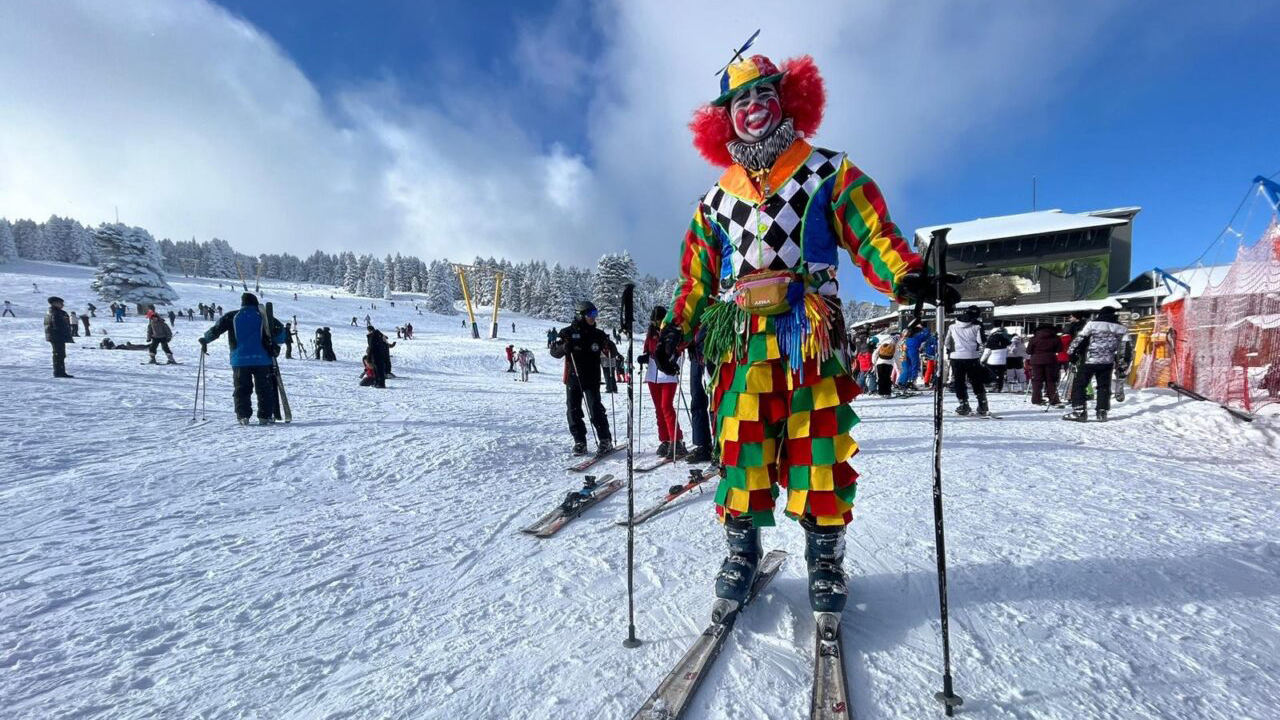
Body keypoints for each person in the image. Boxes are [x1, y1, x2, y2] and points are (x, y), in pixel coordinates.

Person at [658, 46, 950, 628]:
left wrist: (908, 276)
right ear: (725, 118)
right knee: (742, 449)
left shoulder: (828, 170)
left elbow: (873, 235)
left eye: (764, 94)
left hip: (810, 338)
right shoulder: (715, 200)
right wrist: (676, 327)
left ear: (788, 99)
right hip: (741, 343)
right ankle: (742, 553)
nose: (754, 107)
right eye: (741, 99)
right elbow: (696, 276)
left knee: (818, 449)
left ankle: (825, 557)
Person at [199, 293, 285, 425]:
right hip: (263, 360)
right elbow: (280, 332)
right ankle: (265, 416)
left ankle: (243, 416)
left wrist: (205, 340)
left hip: (239, 360)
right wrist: (275, 345)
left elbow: (216, 329)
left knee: (241, 388)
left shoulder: (232, 316)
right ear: (256, 303)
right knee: (264, 389)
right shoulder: (264, 316)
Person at [549, 300, 616, 455]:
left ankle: (605, 440)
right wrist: (562, 348)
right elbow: (554, 352)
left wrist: (612, 350)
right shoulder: (567, 333)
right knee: (573, 411)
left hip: (592, 377)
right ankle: (580, 441)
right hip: (573, 377)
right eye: (590, 314)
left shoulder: (598, 334)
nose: (593, 317)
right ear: (581, 315)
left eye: (595, 314)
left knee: (595, 409)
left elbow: (610, 352)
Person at [1065, 306, 1130, 422]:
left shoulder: (1092, 324)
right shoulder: (1122, 328)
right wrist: (1123, 363)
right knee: (1104, 386)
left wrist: (1071, 354)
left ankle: (1079, 411)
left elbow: (1079, 339)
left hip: (1089, 360)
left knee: (1079, 385)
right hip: (1107, 361)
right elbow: (1126, 347)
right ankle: (1102, 411)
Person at [641, 305, 686, 458]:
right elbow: (647, 350)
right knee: (658, 409)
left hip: (667, 374)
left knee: (666, 406)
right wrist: (644, 357)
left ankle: (676, 440)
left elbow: (679, 350)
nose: (656, 323)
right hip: (653, 375)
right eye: (654, 321)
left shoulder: (671, 331)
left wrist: (674, 362)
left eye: (658, 320)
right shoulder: (651, 333)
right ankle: (665, 439)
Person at [945, 305, 989, 415]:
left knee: (959, 381)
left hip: (956, 357)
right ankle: (982, 404)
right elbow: (981, 341)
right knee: (976, 380)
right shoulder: (977, 325)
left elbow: (946, 341)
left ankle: (963, 404)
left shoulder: (952, 325)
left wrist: (951, 350)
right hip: (972, 356)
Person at [1025, 324, 1063, 407]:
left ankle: (1036, 399)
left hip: (1036, 360)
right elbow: (1059, 349)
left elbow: (1028, 351)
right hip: (1051, 360)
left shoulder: (1034, 338)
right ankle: (1053, 399)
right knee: (1051, 380)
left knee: (1037, 380)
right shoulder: (1056, 338)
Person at [44, 296, 75, 378]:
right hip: (57, 336)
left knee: (59, 354)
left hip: (54, 336)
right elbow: (58, 325)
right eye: (60, 303)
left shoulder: (52, 311)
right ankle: (59, 372)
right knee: (59, 354)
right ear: (54, 303)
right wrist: (64, 333)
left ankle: (59, 371)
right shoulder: (55, 312)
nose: (62, 305)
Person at [981, 326, 1011, 393]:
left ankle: (992, 386)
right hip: (1002, 361)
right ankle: (999, 388)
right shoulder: (1005, 338)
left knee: (992, 374)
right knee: (1001, 375)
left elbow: (987, 352)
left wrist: (982, 360)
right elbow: (1009, 349)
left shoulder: (991, 339)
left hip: (992, 361)